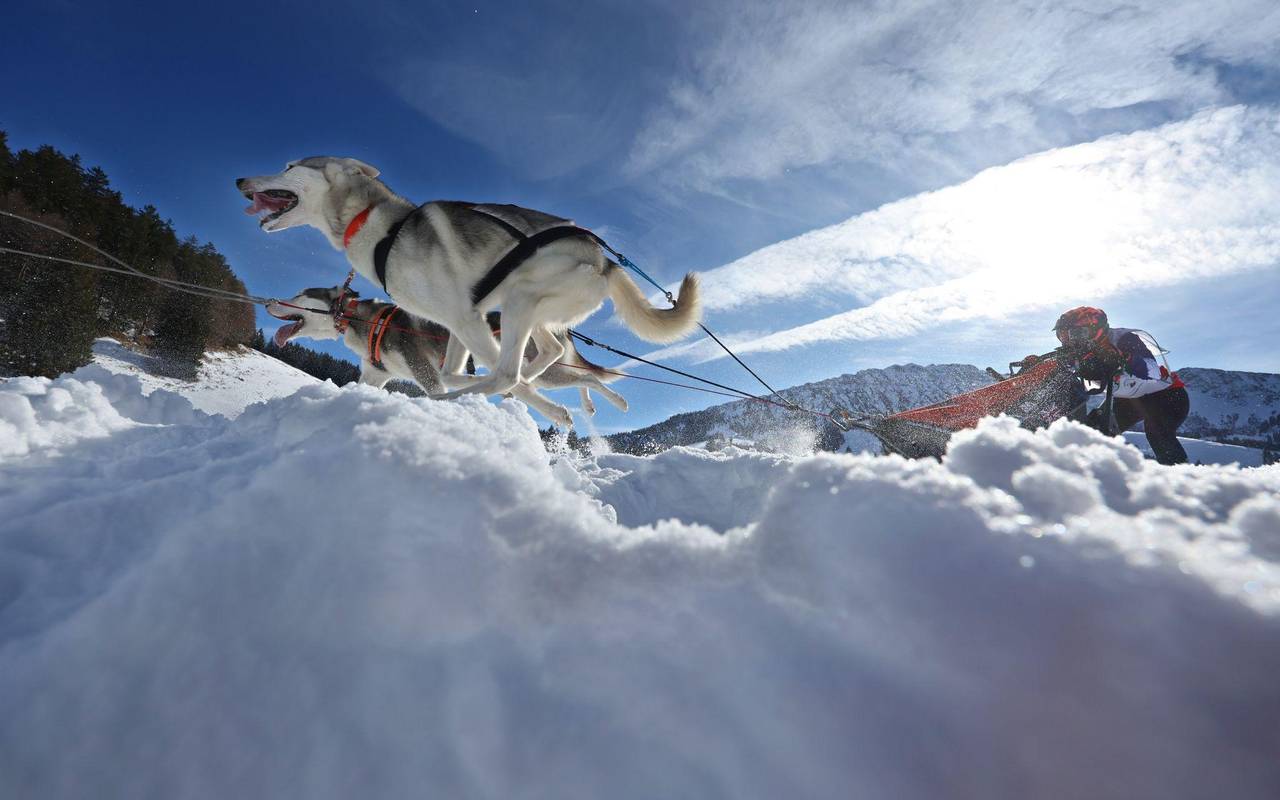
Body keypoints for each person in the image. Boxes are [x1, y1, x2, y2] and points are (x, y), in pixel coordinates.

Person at [1052, 306, 1190, 465]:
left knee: (1158, 432)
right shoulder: (1078, 353)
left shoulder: (1124, 339)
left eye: (1075, 334)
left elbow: (1152, 371)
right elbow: (1065, 375)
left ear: (1095, 329)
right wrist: (1036, 363)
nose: (1070, 341)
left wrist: (1122, 357)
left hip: (1167, 397)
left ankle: (1183, 480)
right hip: (1129, 400)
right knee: (1092, 433)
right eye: (1063, 336)